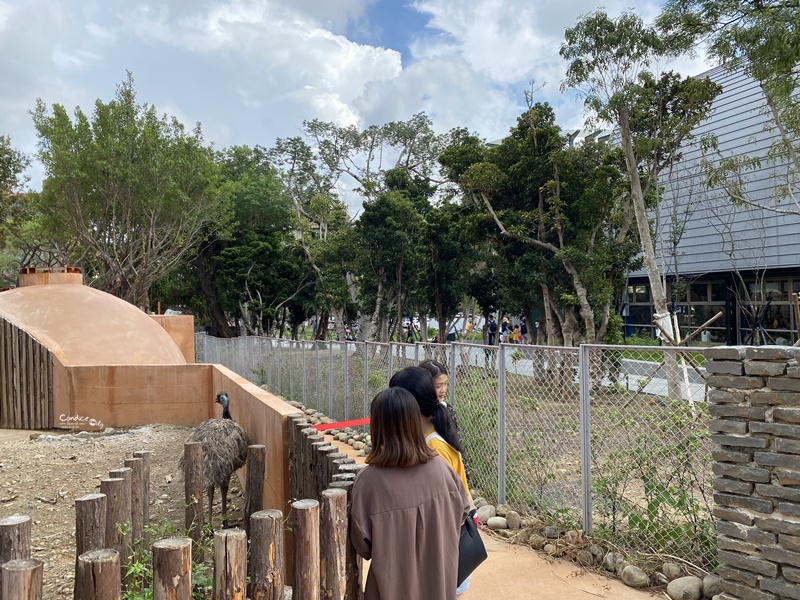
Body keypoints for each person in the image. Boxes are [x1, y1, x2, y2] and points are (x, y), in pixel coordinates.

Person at [350, 387, 470, 600]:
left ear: (377, 427)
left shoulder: (368, 483)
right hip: (439, 589)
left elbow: (363, 547)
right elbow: (462, 514)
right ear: (415, 423)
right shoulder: (442, 470)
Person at [389, 366, 476, 595]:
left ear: (409, 406)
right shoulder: (429, 440)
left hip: (447, 545)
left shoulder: (433, 448)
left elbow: (447, 506)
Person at [418, 359, 472, 484]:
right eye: (437, 386)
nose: (443, 390)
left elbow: (456, 442)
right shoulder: (417, 411)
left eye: (445, 384)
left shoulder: (447, 410)